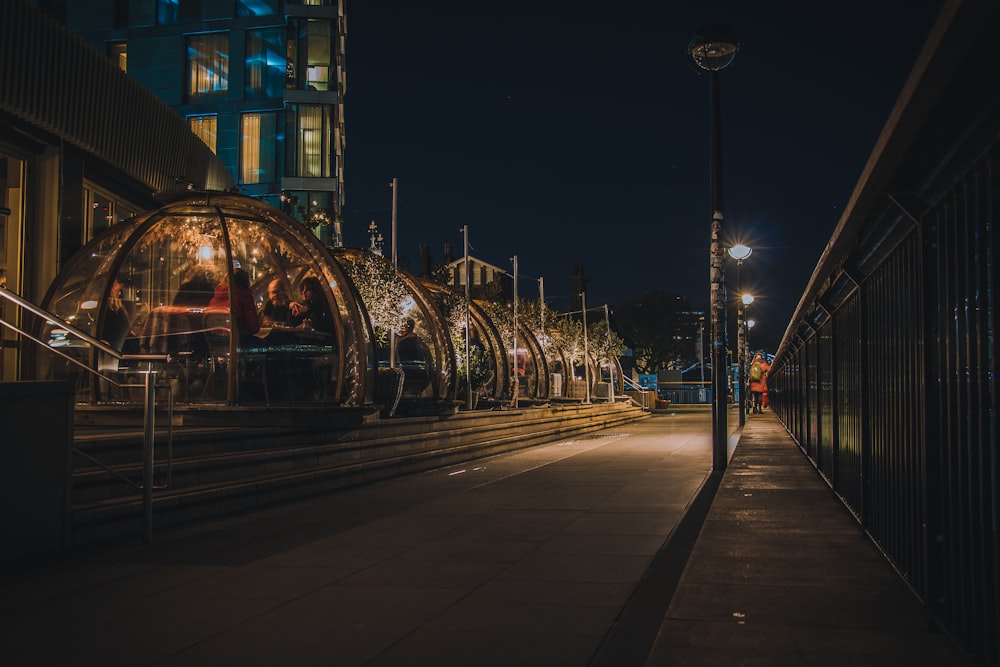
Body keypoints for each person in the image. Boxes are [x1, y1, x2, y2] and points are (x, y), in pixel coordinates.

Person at [208, 268, 260, 341]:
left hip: (215, 341)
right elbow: (254, 327)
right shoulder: (245, 296)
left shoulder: (215, 298)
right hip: (238, 340)